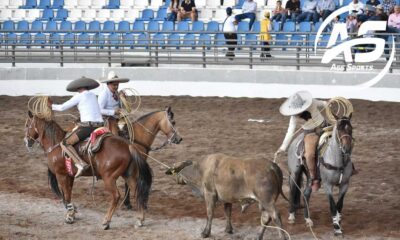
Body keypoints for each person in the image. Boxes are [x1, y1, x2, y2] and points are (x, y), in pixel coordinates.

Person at [275, 91, 328, 192]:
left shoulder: (312, 102)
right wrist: (283, 147)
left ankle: (348, 166)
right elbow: (290, 132)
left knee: (342, 137)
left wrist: (328, 103)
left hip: (325, 127)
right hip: (310, 134)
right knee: (309, 155)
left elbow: (322, 104)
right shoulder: (293, 117)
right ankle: (314, 178)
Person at [51, 77, 104, 178]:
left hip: (89, 127)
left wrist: (50, 105)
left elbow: (62, 107)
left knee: (65, 143)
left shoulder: (79, 96)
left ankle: (80, 163)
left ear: (78, 87)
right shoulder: (93, 95)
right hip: (101, 126)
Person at [98, 71, 130, 135]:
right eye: (114, 85)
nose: (116, 87)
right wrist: (113, 112)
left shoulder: (116, 92)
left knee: (129, 127)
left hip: (117, 117)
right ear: (108, 84)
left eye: (117, 85)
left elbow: (119, 106)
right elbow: (99, 110)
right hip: (107, 119)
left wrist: (122, 98)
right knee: (116, 136)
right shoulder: (104, 94)